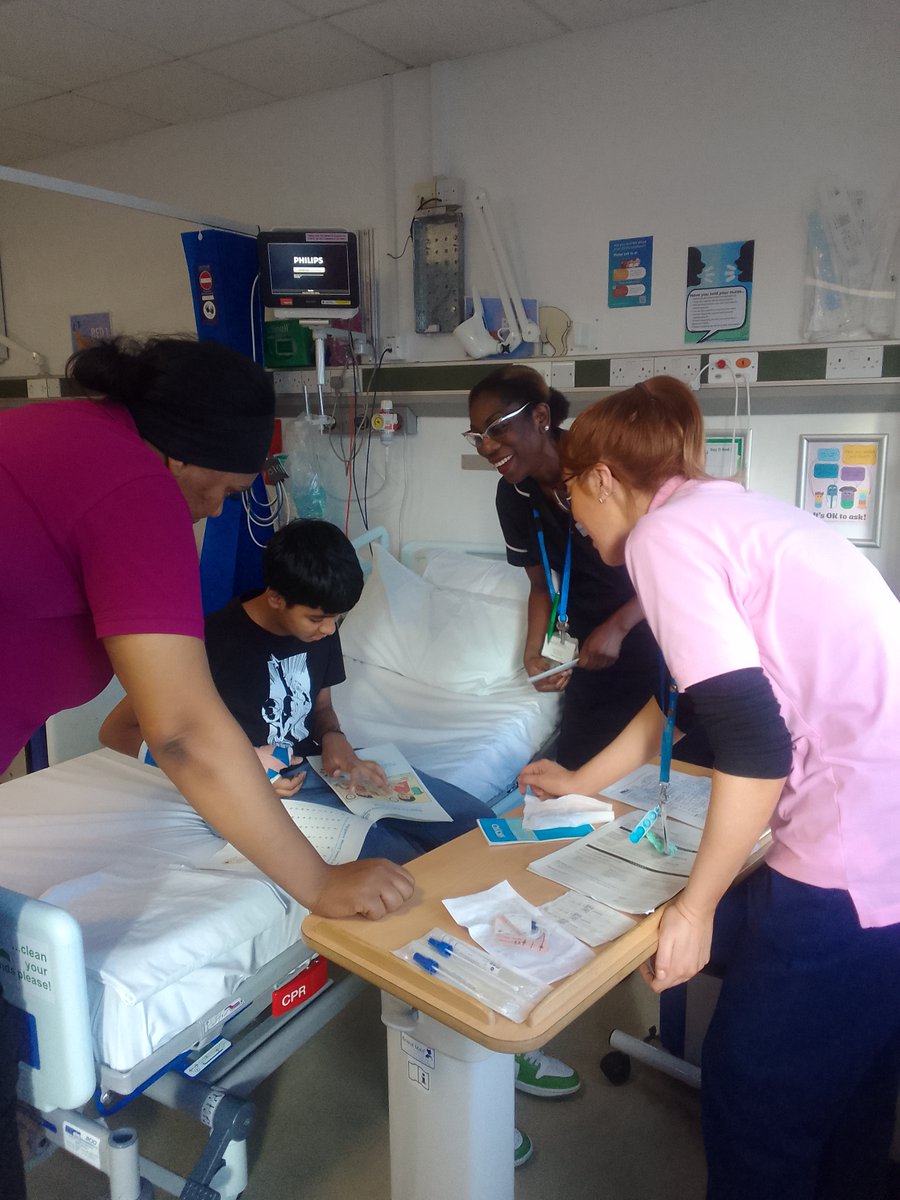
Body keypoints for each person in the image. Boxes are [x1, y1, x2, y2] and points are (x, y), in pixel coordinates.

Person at [0, 336, 413, 1200]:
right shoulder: (134, 484)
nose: (208, 514)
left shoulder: (52, 434)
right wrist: (318, 884)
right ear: (181, 454)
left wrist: (330, 743)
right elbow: (181, 730)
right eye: (220, 492)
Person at [519, 375, 900, 1200]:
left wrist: (693, 911)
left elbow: (756, 747)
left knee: (757, 1092)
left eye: (571, 495)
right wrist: (580, 780)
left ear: (602, 478)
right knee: (854, 1085)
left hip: (856, 852)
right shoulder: (731, 515)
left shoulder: (664, 538)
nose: (573, 518)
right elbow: (681, 704)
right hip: (884, 841)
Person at [101, 517, 495, 863]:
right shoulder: (209, 643)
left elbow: (320, 708)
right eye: (318, 618)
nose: (329, 629)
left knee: (475, 822)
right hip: (242, 787)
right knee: (396, 858)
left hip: (315, 767)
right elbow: (116, 731)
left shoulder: (321, 626)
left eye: (336, 618)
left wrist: (335, 738)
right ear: (275, 597)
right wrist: (239, 765)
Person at [466, 364, 661, 769]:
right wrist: (533, 655)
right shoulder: (514, 496)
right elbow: (540, 586)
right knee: (579, 772)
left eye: (496, 428)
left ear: (540, 416)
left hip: (654, 633)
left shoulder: (607, 466)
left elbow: (671, 570)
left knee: (655, 771)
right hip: (588, 651)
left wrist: (618, 627)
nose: (486, 447)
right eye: (478, 436)